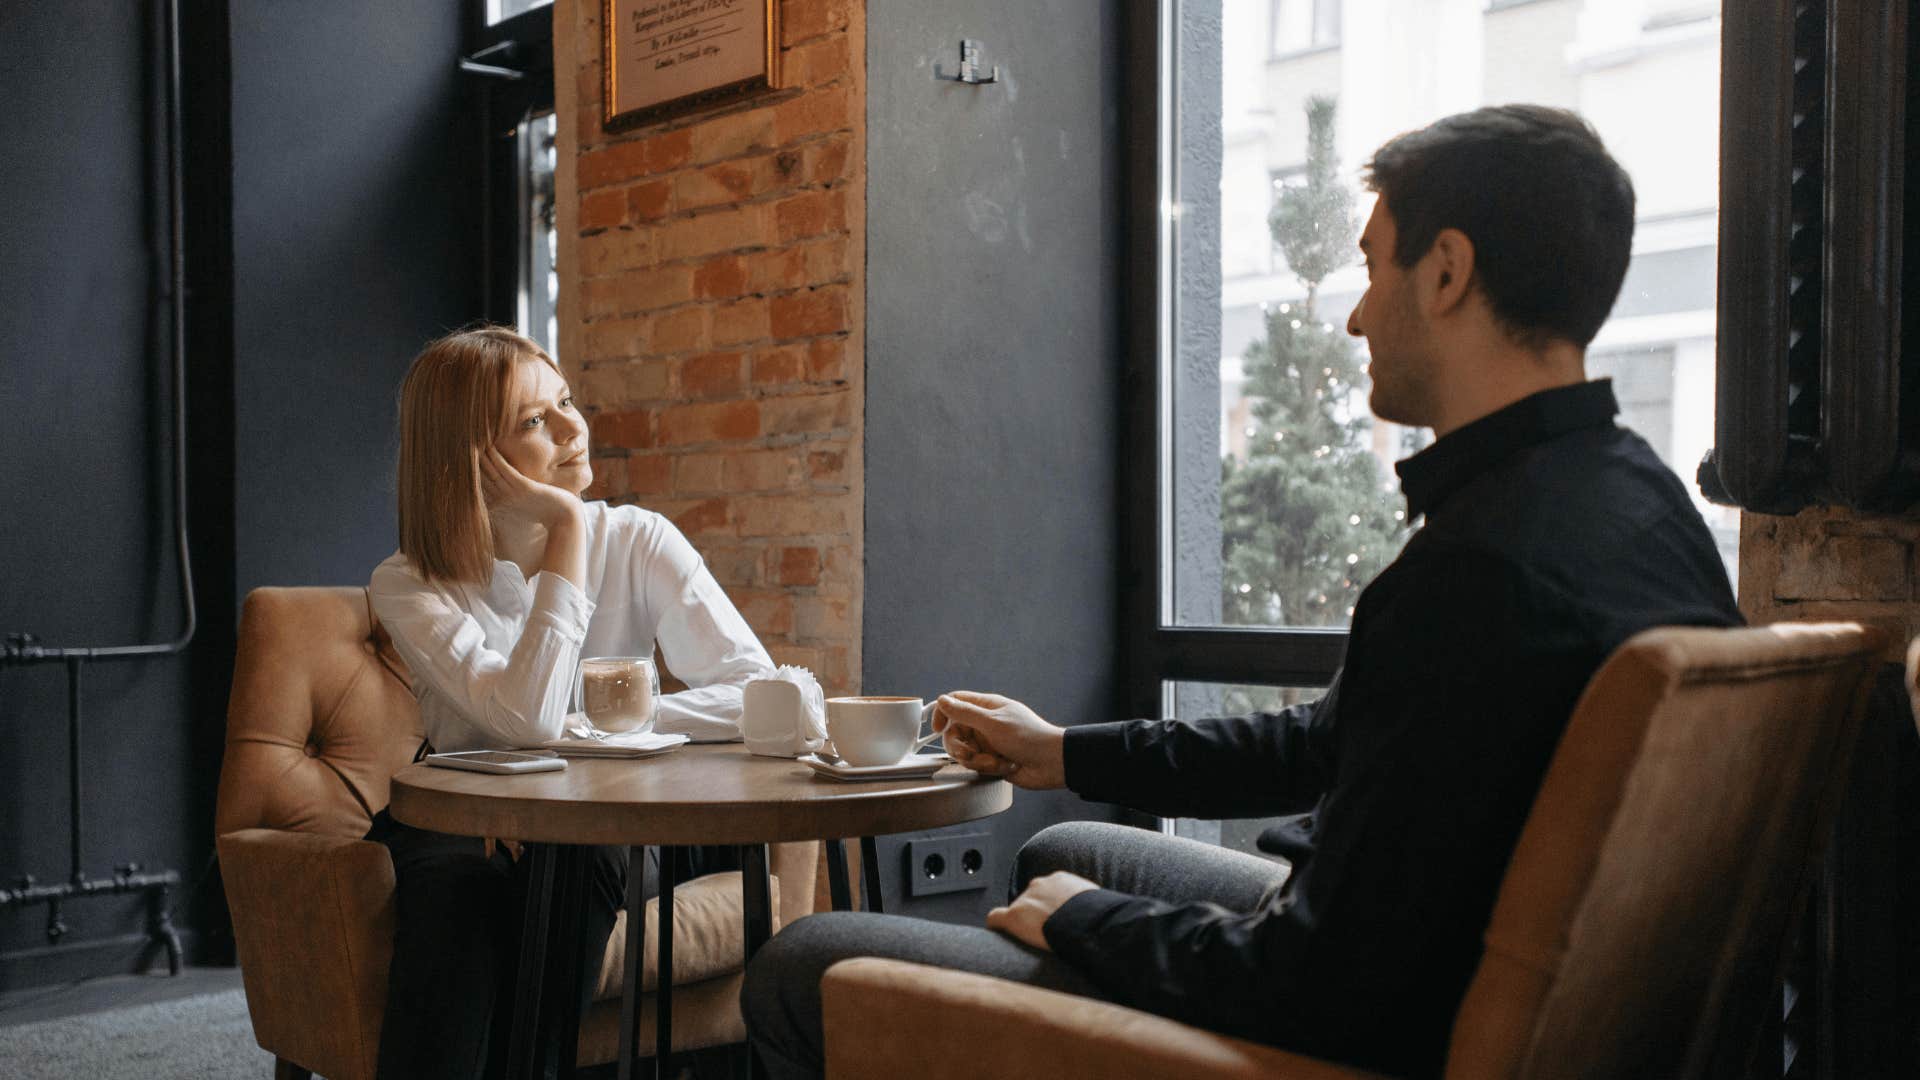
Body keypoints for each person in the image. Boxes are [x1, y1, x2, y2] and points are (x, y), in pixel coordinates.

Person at [741, 105, 1741, 1078]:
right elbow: (1326, 747)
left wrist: (1089, 922)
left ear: (1445, 272)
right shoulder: (1641, 504)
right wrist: (1064, 751)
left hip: (1340, 1018)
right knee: (1061, 845)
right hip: (1439, 970)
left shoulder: (1480, 573)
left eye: (1368, 264)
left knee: (803, 962)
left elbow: (1320, 986)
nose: (1355, 316)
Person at [366, 325, 776, 1079]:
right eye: (532, 421)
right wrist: (563, 529)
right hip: (463, 817)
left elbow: (758, 690)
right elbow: (526, 718)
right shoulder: (409, 582)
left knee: (580, 861)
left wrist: (603, 729)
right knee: (461, 889)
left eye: (565, 402)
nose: (571, 428)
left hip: (615, 823)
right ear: (471, 462)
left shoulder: (639, 540)